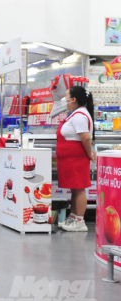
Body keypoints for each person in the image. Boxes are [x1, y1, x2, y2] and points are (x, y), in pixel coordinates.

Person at [57, 85, 95, 232]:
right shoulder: (74, 114)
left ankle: (80, 221)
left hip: (77, 159)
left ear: (73, 99)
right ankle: (73, 216)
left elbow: (85, 139)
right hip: (69, 159)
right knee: (74, 189)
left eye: (66, 95)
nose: (64, 99)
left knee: (79, 189)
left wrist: (88, 153)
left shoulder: (80, 116)